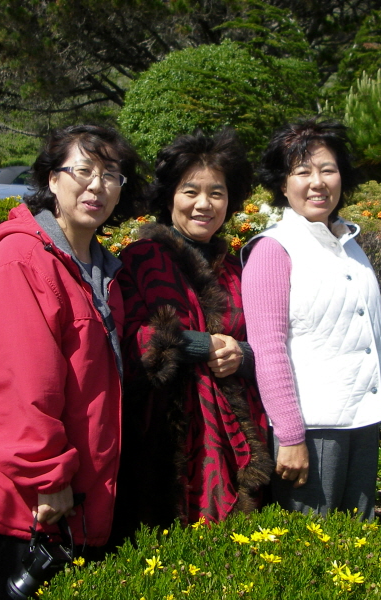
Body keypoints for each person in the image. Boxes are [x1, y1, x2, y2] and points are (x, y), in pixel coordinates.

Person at [0, 124, 144, 598]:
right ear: (52, 179)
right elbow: (19, 388)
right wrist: (49, 476)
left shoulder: (98, 268)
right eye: (84, 171)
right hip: (33, 507)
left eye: (111, 175)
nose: (97, 186)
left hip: (77, 500)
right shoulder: (22, 263)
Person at [114, 130, 272, 535]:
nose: (204, 204)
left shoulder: (236, 268)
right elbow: (127, 340)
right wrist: (203, 345)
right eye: (190, 191)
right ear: (170, 197)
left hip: (235, 435)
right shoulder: (142, 259)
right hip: (163, 441)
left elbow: (267, 342)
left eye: (216, 193)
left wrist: (242, 354)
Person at [241, 119, 381, 520]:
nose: (318, 182)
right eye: (302, 172)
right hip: (314, 430)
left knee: (359, 537)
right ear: (282, 184)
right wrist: (291, 436)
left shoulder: (348, 245)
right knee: (314, 541)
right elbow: (268, 350)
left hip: (363, 419)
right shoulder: (274, 250)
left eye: (328, 169)